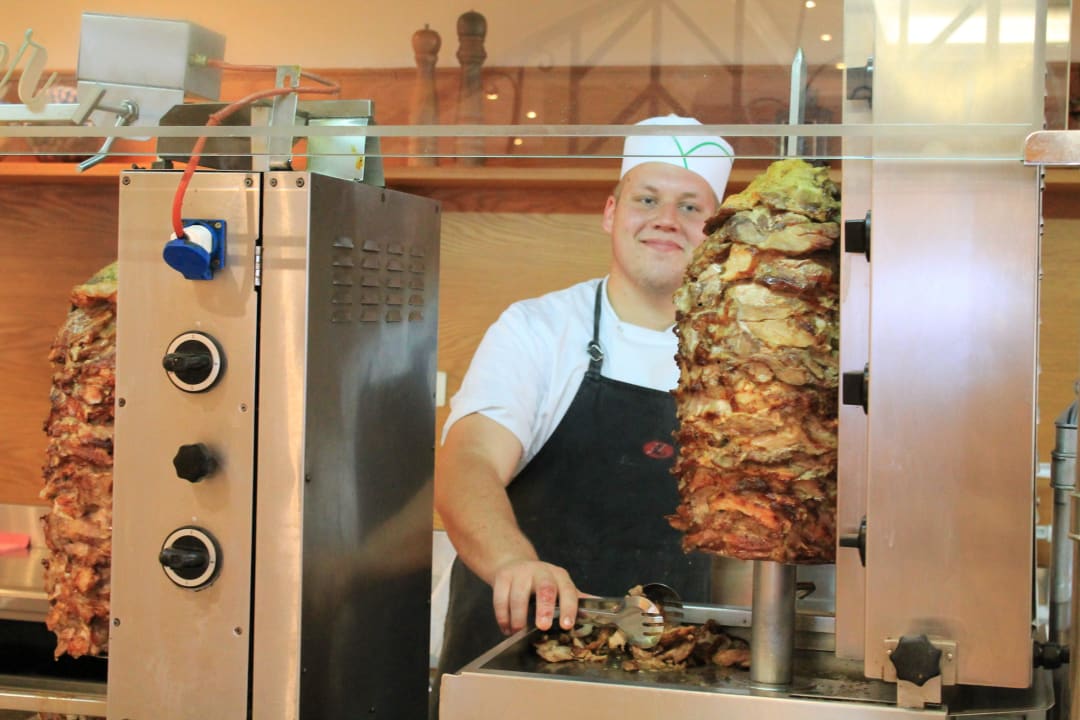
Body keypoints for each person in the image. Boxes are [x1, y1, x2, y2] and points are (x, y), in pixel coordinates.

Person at [433, 115, 735, 690]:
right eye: (647, 199)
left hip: (674, 675)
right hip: (517, 666)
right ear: (611, 213)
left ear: (714, 232)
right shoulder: (538, 329)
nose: (666, 219)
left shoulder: (740, 355)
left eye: (690, 207)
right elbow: (467, 462)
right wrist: (512, 562)